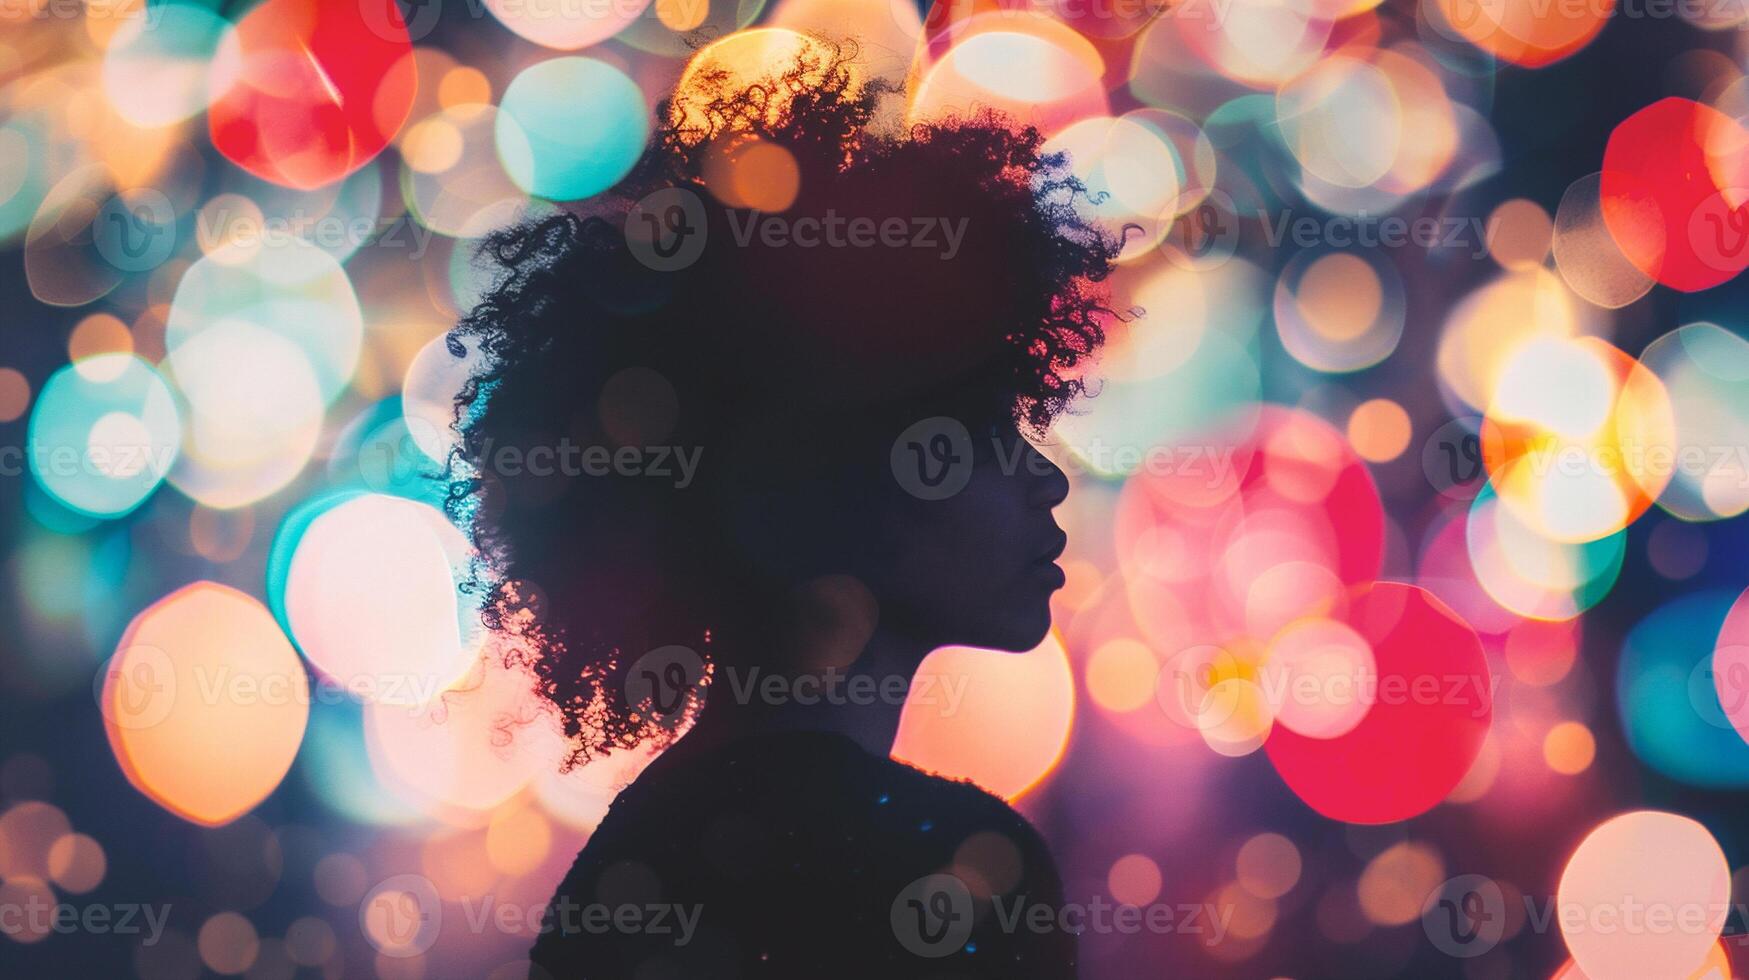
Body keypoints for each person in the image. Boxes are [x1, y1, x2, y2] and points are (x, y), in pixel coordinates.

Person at [446, 40, 1118, 979]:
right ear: (833, 489)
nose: (1045, 481)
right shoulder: (945, 865)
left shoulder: (634, 851)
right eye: (983, 438)